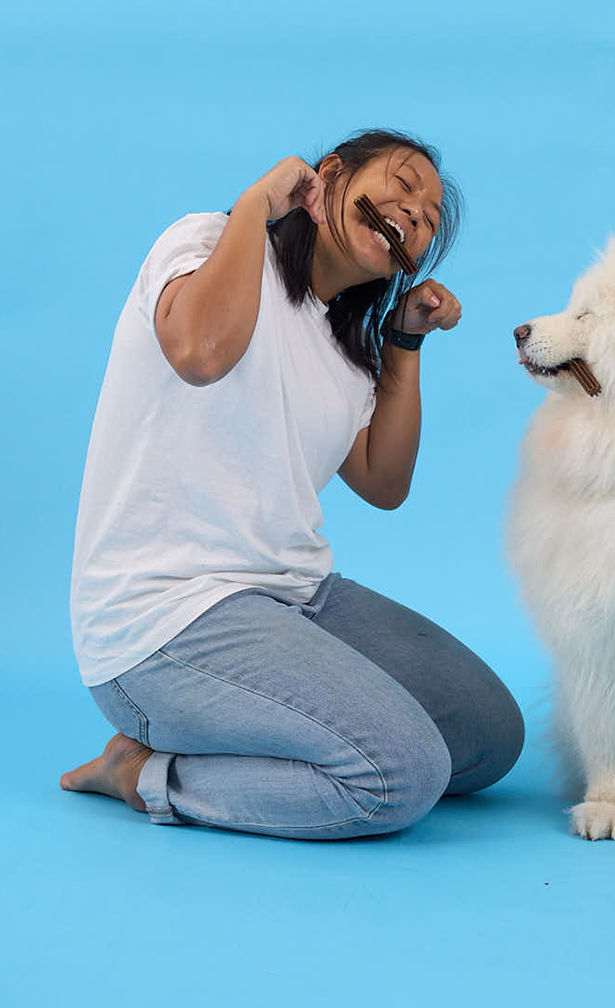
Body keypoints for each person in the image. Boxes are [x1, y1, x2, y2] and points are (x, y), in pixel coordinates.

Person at [59, 129, 524, 839]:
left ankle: (268, 725)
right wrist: (256, 205)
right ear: (329, 177)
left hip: (292, 598)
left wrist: (403, 339)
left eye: (428, 219)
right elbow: (200, 352)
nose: (413, 216)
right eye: (400, 189)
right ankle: (143, 771)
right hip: (162, 618)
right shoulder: (205, 240)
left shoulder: (343, 349)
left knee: (490, 735)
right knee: (401, 776)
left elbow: (383, 481)